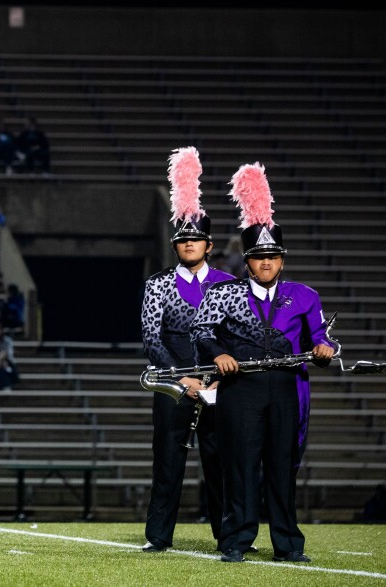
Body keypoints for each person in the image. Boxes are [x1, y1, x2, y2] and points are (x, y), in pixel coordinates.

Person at [191, 162, 337, 564]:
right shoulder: (223, 292)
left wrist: (326, 349)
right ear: (248, 260)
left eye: (273, 256)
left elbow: (320, 337)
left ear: (282, 260)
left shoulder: (305, 295)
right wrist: (218, 354)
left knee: (281, 467)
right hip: (241, 388)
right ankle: (235, 541)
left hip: (286, 386)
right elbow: (201, 333)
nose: (266, 262)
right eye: (259, 256)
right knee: (239, 466)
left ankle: (288, 544)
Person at [139, 147, 234, 554]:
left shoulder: (230, 283)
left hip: (220, 382)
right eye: (183, 240)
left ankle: (226, 537)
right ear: (176, 246)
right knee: (168, 462)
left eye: (196, 239)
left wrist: (210, 377)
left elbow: (236, 334)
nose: (189, 244)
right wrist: (182, 378)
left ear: (209, 244)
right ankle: (158, 536)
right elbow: (150, 334)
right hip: (172, 381)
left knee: (220, 463)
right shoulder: (157, 283)